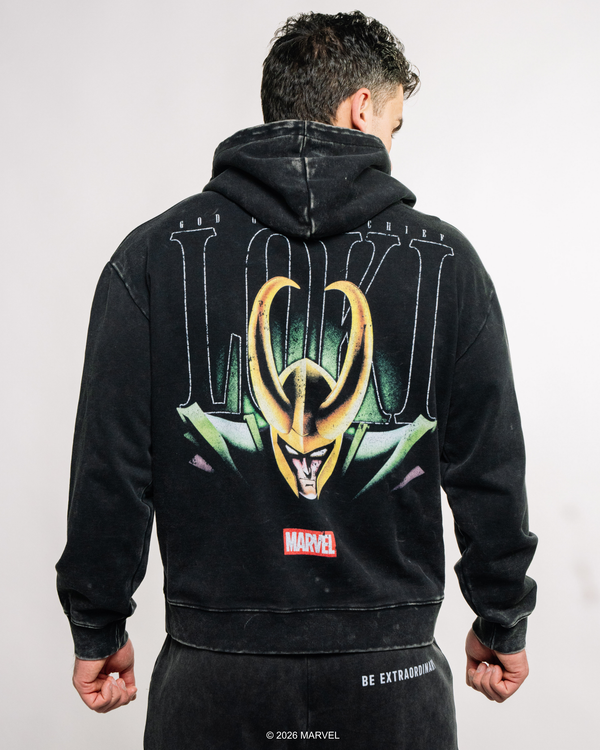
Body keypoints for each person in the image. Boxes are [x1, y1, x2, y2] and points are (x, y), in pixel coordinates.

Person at [57, 11, 537, 748]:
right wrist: (501, 619)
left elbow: (111, 466)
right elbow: (488, 467)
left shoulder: (153, 257)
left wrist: (98, 626)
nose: (392, 145)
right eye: (396, 125)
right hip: (390, 678)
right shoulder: (445, 264)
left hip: (214, 674)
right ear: (362, 109)